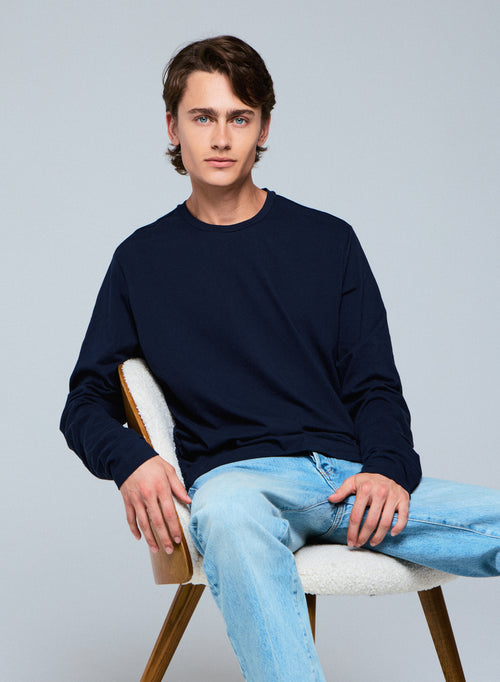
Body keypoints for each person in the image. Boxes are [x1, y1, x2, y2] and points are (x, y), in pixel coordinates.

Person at [61, 35, 499, 681]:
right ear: (173, 128)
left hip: (348, 480)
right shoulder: (140, 261)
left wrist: (385, 469)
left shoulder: (329, 241)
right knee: (228, 513)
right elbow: (85, 401)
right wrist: (133, 461)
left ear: (263, 128)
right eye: (202, 117)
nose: (221, 138)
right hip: (239, 486)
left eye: (239, 118)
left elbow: (375, 386)